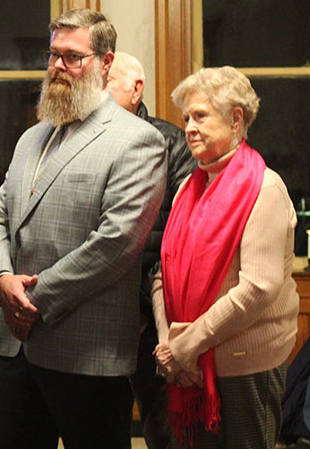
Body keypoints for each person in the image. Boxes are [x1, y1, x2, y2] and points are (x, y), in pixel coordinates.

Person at [0, 9, 167, 449]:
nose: (58, 67)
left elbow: (117, 244)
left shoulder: (136, 139)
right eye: (53, 56)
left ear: (105, 63)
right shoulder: (32, 137)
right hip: (16, 346)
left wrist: (32, 301)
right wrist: (2, 279)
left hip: (88, 353)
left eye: (73, 57)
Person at [152, 66, 299, 448]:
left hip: (243, 365)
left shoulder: (265, 188)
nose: (189, 127)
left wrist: (185, 346)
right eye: (186, 118)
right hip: (187, 362)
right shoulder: (189, 185)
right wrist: (168, 341)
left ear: (236, 119)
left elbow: (256, 289)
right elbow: (162, 271)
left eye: (200, 115)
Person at [108, 51, 196, 449]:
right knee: (101, 427)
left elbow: (180, 234)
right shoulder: (82, 142)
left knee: (163, 429)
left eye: (104, 83)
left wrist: (142, 304)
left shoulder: (171, 143)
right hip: (97, 315)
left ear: (135, 89)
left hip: (152, 314)